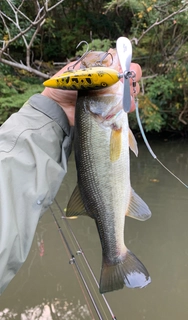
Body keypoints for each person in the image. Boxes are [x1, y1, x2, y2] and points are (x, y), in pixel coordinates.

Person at [0, 54, 142, 295]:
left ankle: (114, 255)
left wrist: (51, 108)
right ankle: (116, 256)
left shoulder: (106, 116)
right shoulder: (110, 120)